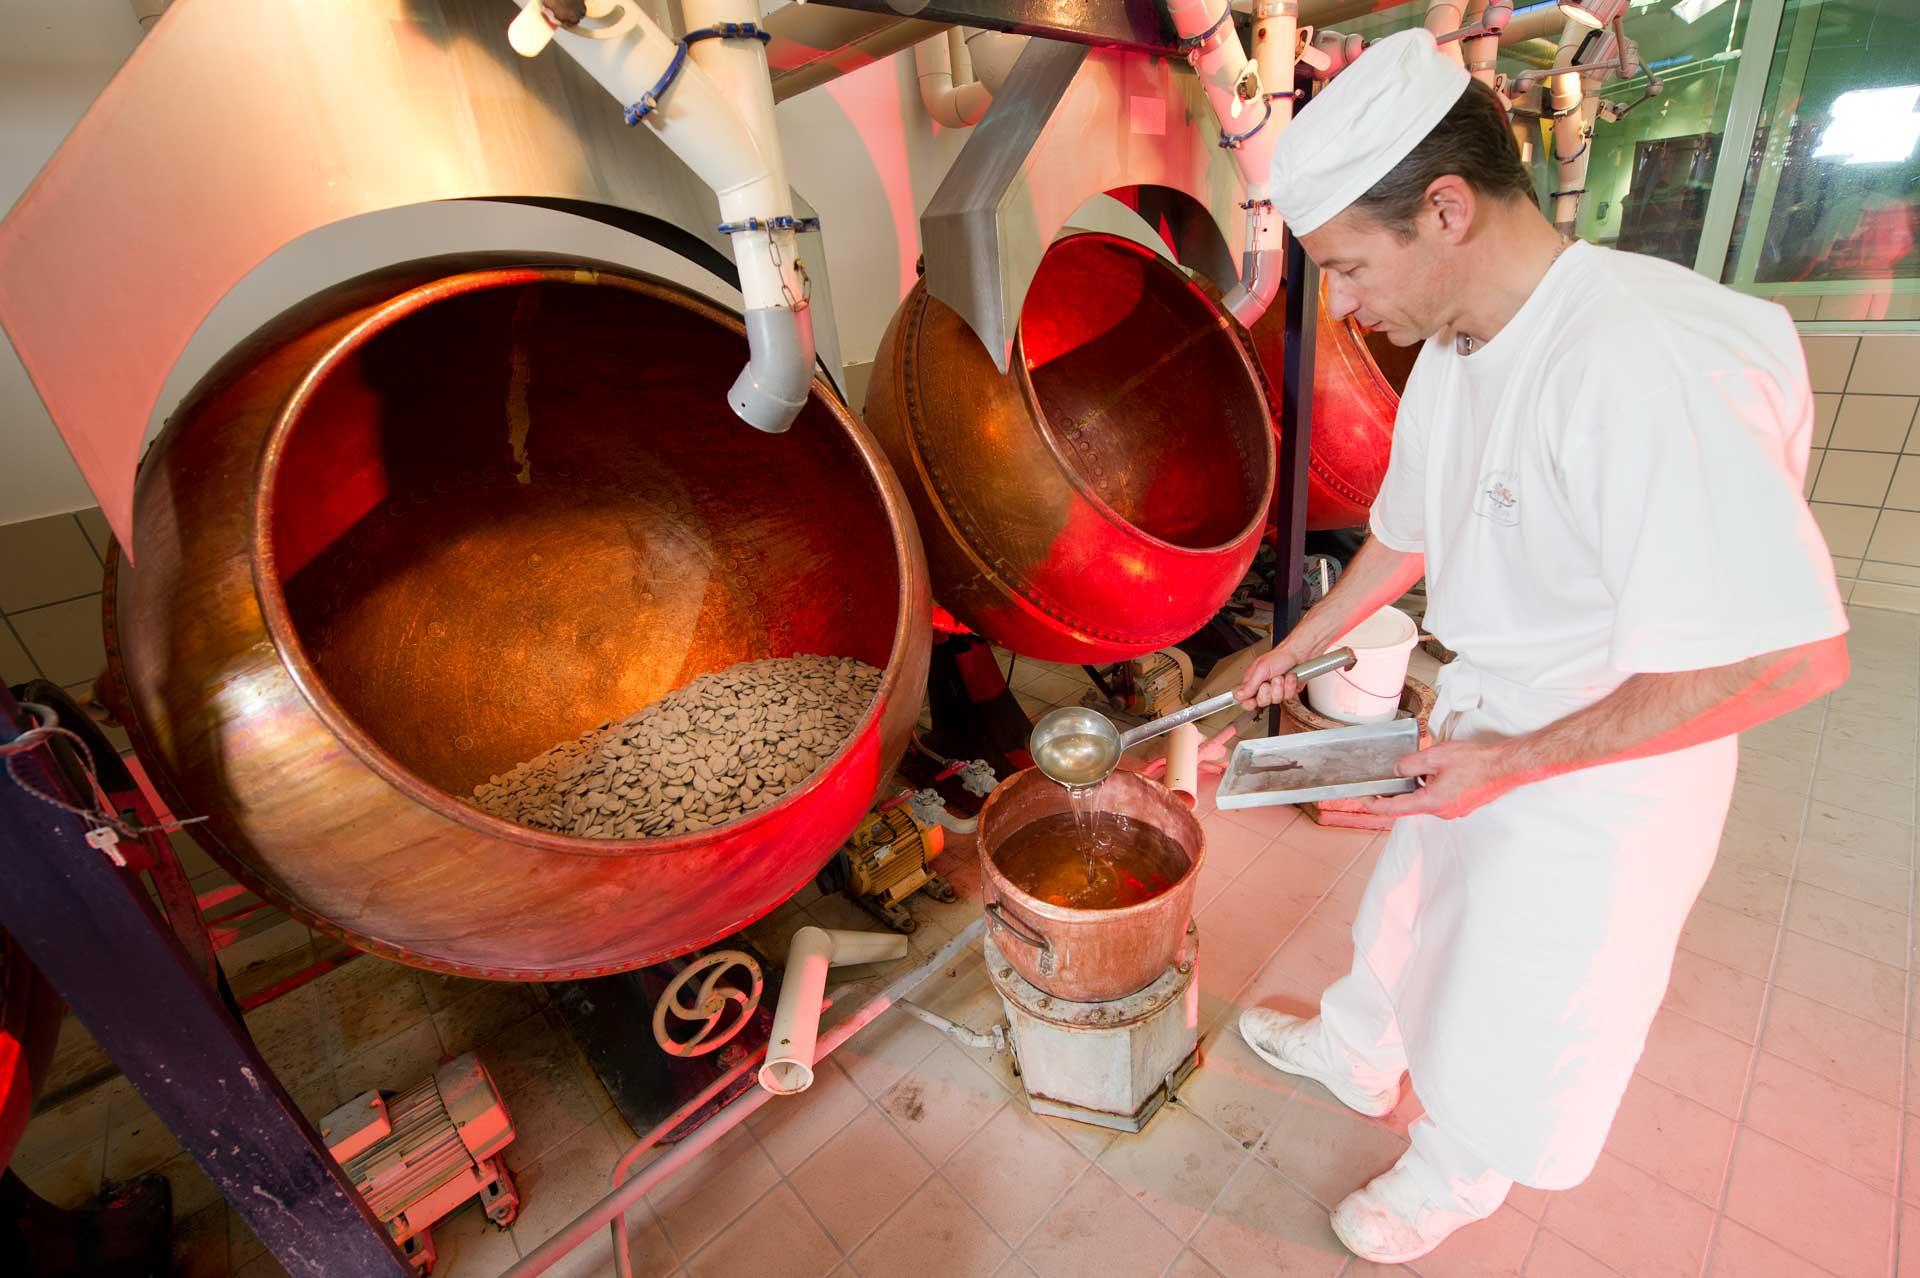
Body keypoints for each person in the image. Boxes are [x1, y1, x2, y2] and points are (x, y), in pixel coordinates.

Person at [1232, 28, 1851, 1265]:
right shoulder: (1462, 347)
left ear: (1445, 210)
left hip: (1610, 767)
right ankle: (1362, 1050)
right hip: (1488, 712)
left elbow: (1788, 658)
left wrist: (1514, 765)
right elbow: (1408, 535)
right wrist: (1297, 642)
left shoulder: (1642, 358)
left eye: (1350, 267)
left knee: (1523, 998)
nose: (1346, 305)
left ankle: (1460, 1172)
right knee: (1415, 908)